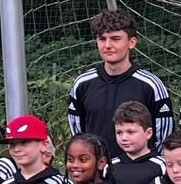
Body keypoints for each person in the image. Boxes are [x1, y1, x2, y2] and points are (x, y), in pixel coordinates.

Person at [67, 9, 173, 155]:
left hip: (139, 168)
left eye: (115, 39)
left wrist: (148, 164)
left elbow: (164, 137)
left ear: (132, 42)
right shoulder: (82, 84)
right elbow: (78, 134)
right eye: (102, 39)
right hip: (96, 167)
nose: (107, 45)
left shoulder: (151, 85)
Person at [106, 101, 166, 184]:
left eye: (130, 132)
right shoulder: (110, 166)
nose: (124, 138)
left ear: (148, 133)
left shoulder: (162, 165)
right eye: (119, 132)